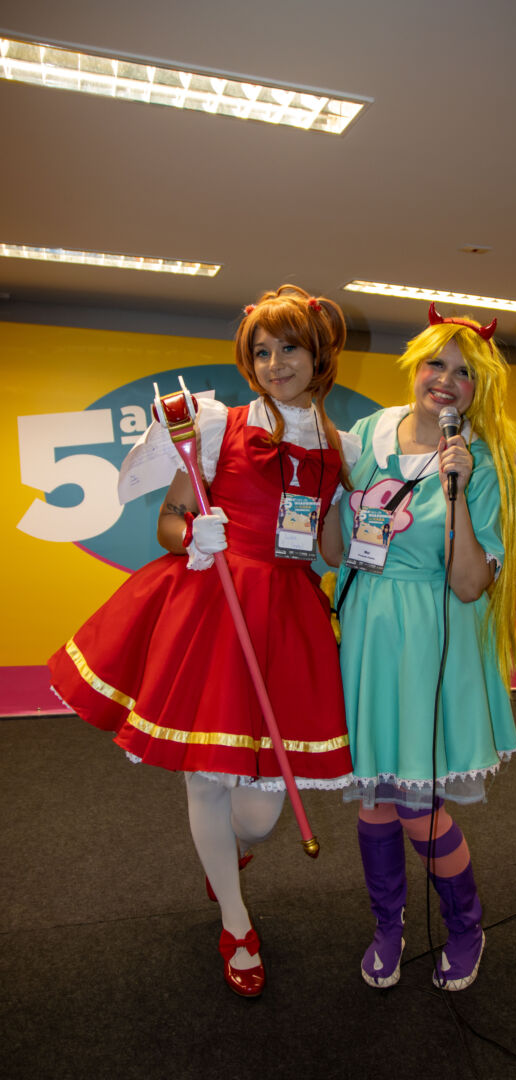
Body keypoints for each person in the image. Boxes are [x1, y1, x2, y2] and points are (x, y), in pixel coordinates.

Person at [48, 285, 358, 997]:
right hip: (213, 601)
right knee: (211, 775)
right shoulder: (217, 425)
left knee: (261, 807)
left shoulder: (337, 445)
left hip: (287, 616)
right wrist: (195, 535)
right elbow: (167, 521)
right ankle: (237, 922)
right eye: (261, 351)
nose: (275, 363)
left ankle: (231, 855)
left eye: (289, 348)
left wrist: (361, 522)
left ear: (319, 354)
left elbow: (332, 550)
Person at [322, 305, 516, 992]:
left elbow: (472, 583)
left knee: (420, 805)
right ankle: (388, 925)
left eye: (465, 374)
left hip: (432, 637)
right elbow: (333, 549)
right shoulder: (363, 433)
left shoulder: (482, 460)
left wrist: (461, 489)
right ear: (415, 366)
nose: (446, 381)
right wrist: (321, 488)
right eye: (436, 364)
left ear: (480, 390)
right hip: (366, 636)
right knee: (375, 801)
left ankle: (465, 926)